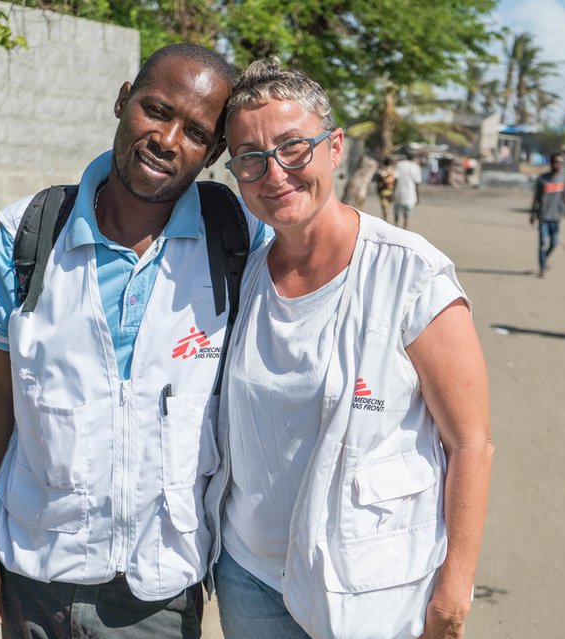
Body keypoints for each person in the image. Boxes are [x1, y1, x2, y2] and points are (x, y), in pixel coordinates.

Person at [0, 43, 266, 639]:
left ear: (216, 151)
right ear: (122, 100)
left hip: (160, 591)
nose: (167, 139)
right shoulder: (30, 234)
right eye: (156, 110)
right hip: (35, 573)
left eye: (196, 131)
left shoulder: (240, 242)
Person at [206, 59, 493, 639]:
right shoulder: (245, 275)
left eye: (294, 147)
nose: (275, 173)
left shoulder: (410, 276)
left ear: (334, 148)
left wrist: (454, 592)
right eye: (250, 159)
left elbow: (471, 444)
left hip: (368, 590)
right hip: (249, 576)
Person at [530, 152, 565, 277]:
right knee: (543, 242)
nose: (559, 165)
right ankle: (542, 268)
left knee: (554, 243)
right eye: (557, 162)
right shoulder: (543, 179)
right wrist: (532, 214)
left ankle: (544, 259)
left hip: (555, 217)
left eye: (561, 162)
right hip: (543, 216)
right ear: (552, 163)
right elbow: (536, 198)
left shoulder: (563, 179)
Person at [393, 150, 423, 228]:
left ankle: (395, 227)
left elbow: (395, 179)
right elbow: (417, 183)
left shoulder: (399, 164)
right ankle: (405, 229)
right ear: (413, 158)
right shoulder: (415, 167)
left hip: (398, 193)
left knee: (396, 212)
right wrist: (418, 197)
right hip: (410, 194)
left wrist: (393, 192)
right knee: (407, 215)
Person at [376, 157, 396, 221]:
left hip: (383, 191)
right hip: (391, 191)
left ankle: (385, 220)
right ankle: (387, 220)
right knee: (389, 207)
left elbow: (379, 181)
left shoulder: (382, 171)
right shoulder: (392, 171)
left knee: (384, 208)